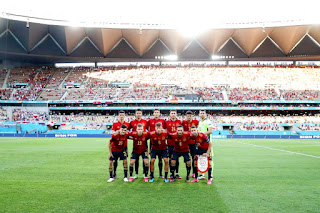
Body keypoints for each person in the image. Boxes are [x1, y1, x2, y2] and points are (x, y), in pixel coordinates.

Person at [129, 109, 148, 179]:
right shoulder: (132, 122)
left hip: (144, 141)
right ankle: (136, 174)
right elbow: (127, 131)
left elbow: (149, 131)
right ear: (135, 114)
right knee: (135, 160)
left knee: (145, 160)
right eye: (137, 113)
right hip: (136, 142)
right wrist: (133, 138)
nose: (138, 114)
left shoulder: (145, 121)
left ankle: (144, 174)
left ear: (142, 114)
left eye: (140, 113)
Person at [147, 109, 166, 179]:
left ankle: (161, 174)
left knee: (160, 159)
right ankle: (151, 174)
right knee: (152, 159)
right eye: (155, 112)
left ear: (159, 113)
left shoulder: (163, 121)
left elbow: (165, 130)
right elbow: (147, 130)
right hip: (152, 142)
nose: (156, 114)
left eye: (158, 112)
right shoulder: (149, 121)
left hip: (161, 142)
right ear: (153, 113)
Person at [111, 110, 130, 179]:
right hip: (115, 147)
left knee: (124, 160)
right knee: (115, 161)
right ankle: (114, 174)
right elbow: (112, 132)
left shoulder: (127, 124)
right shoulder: (115, 124)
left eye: (123, 115)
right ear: (118, 116)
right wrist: (118, 131)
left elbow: (129, 133)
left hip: (124, 146)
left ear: (124, 116)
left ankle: (125, 176)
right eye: (120, 115)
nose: (121, 116)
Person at [182, 111, 199, 178]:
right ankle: (188, 173)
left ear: (192, 116)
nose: (189, 117)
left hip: (194, 143)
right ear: (186, 116)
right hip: (186, 143)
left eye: (190, 116)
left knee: (194, 158)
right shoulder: (183, 122)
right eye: (188, 116)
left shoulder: (196, 122)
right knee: (187, 159)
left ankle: (194, 172)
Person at [165, 109, 182, 179]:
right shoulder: (166, 122)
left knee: (177, 159)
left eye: (174, 113)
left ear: (176, 114)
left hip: (177, 144)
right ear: (170, 114)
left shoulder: (179, 122)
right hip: (169, 144)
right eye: (172, 113)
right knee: (170, 159)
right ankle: (172, 173)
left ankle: (177, 173)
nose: (173, 114)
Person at [197, 110, 213, 180]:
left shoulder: (208, 121)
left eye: (203, 113)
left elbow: (210, 131)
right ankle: (202, 174)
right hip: (201, 144)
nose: (202, 114)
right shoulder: (200, 122)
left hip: (207, 143)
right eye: (201, 113)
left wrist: (202, 135)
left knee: (210, 159)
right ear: (199, 114)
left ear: (205, 114)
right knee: (201, 158)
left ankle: (211, 175)